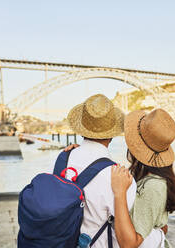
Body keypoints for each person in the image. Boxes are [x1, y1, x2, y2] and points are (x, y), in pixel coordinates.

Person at [53, 94, 136, 248]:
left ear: (82, 130)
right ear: (111, 135)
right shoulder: (120, 177)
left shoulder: (63, 158)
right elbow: (127, 241)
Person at [111, 109, 175, 248]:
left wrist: (119, 193)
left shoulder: (153, 186)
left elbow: (129, 244)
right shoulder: (153, 179)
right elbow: (161, 225)